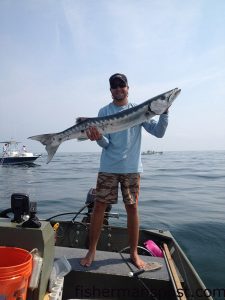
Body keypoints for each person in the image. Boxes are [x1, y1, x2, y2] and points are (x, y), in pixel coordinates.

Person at [80, 73, 169, 269]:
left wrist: (165, 112)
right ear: (110, 90)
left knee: (132, 209)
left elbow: (159, 133)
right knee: (98, 209)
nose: (118, 89)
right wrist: (97, 138)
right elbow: (105, 143)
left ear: (128, 87)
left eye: (122, 85)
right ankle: (91, 250)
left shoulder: (140, 111)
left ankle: (134, 253)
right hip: (108, 168)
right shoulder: (104, 111)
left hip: (132, 169)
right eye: (114, 86)